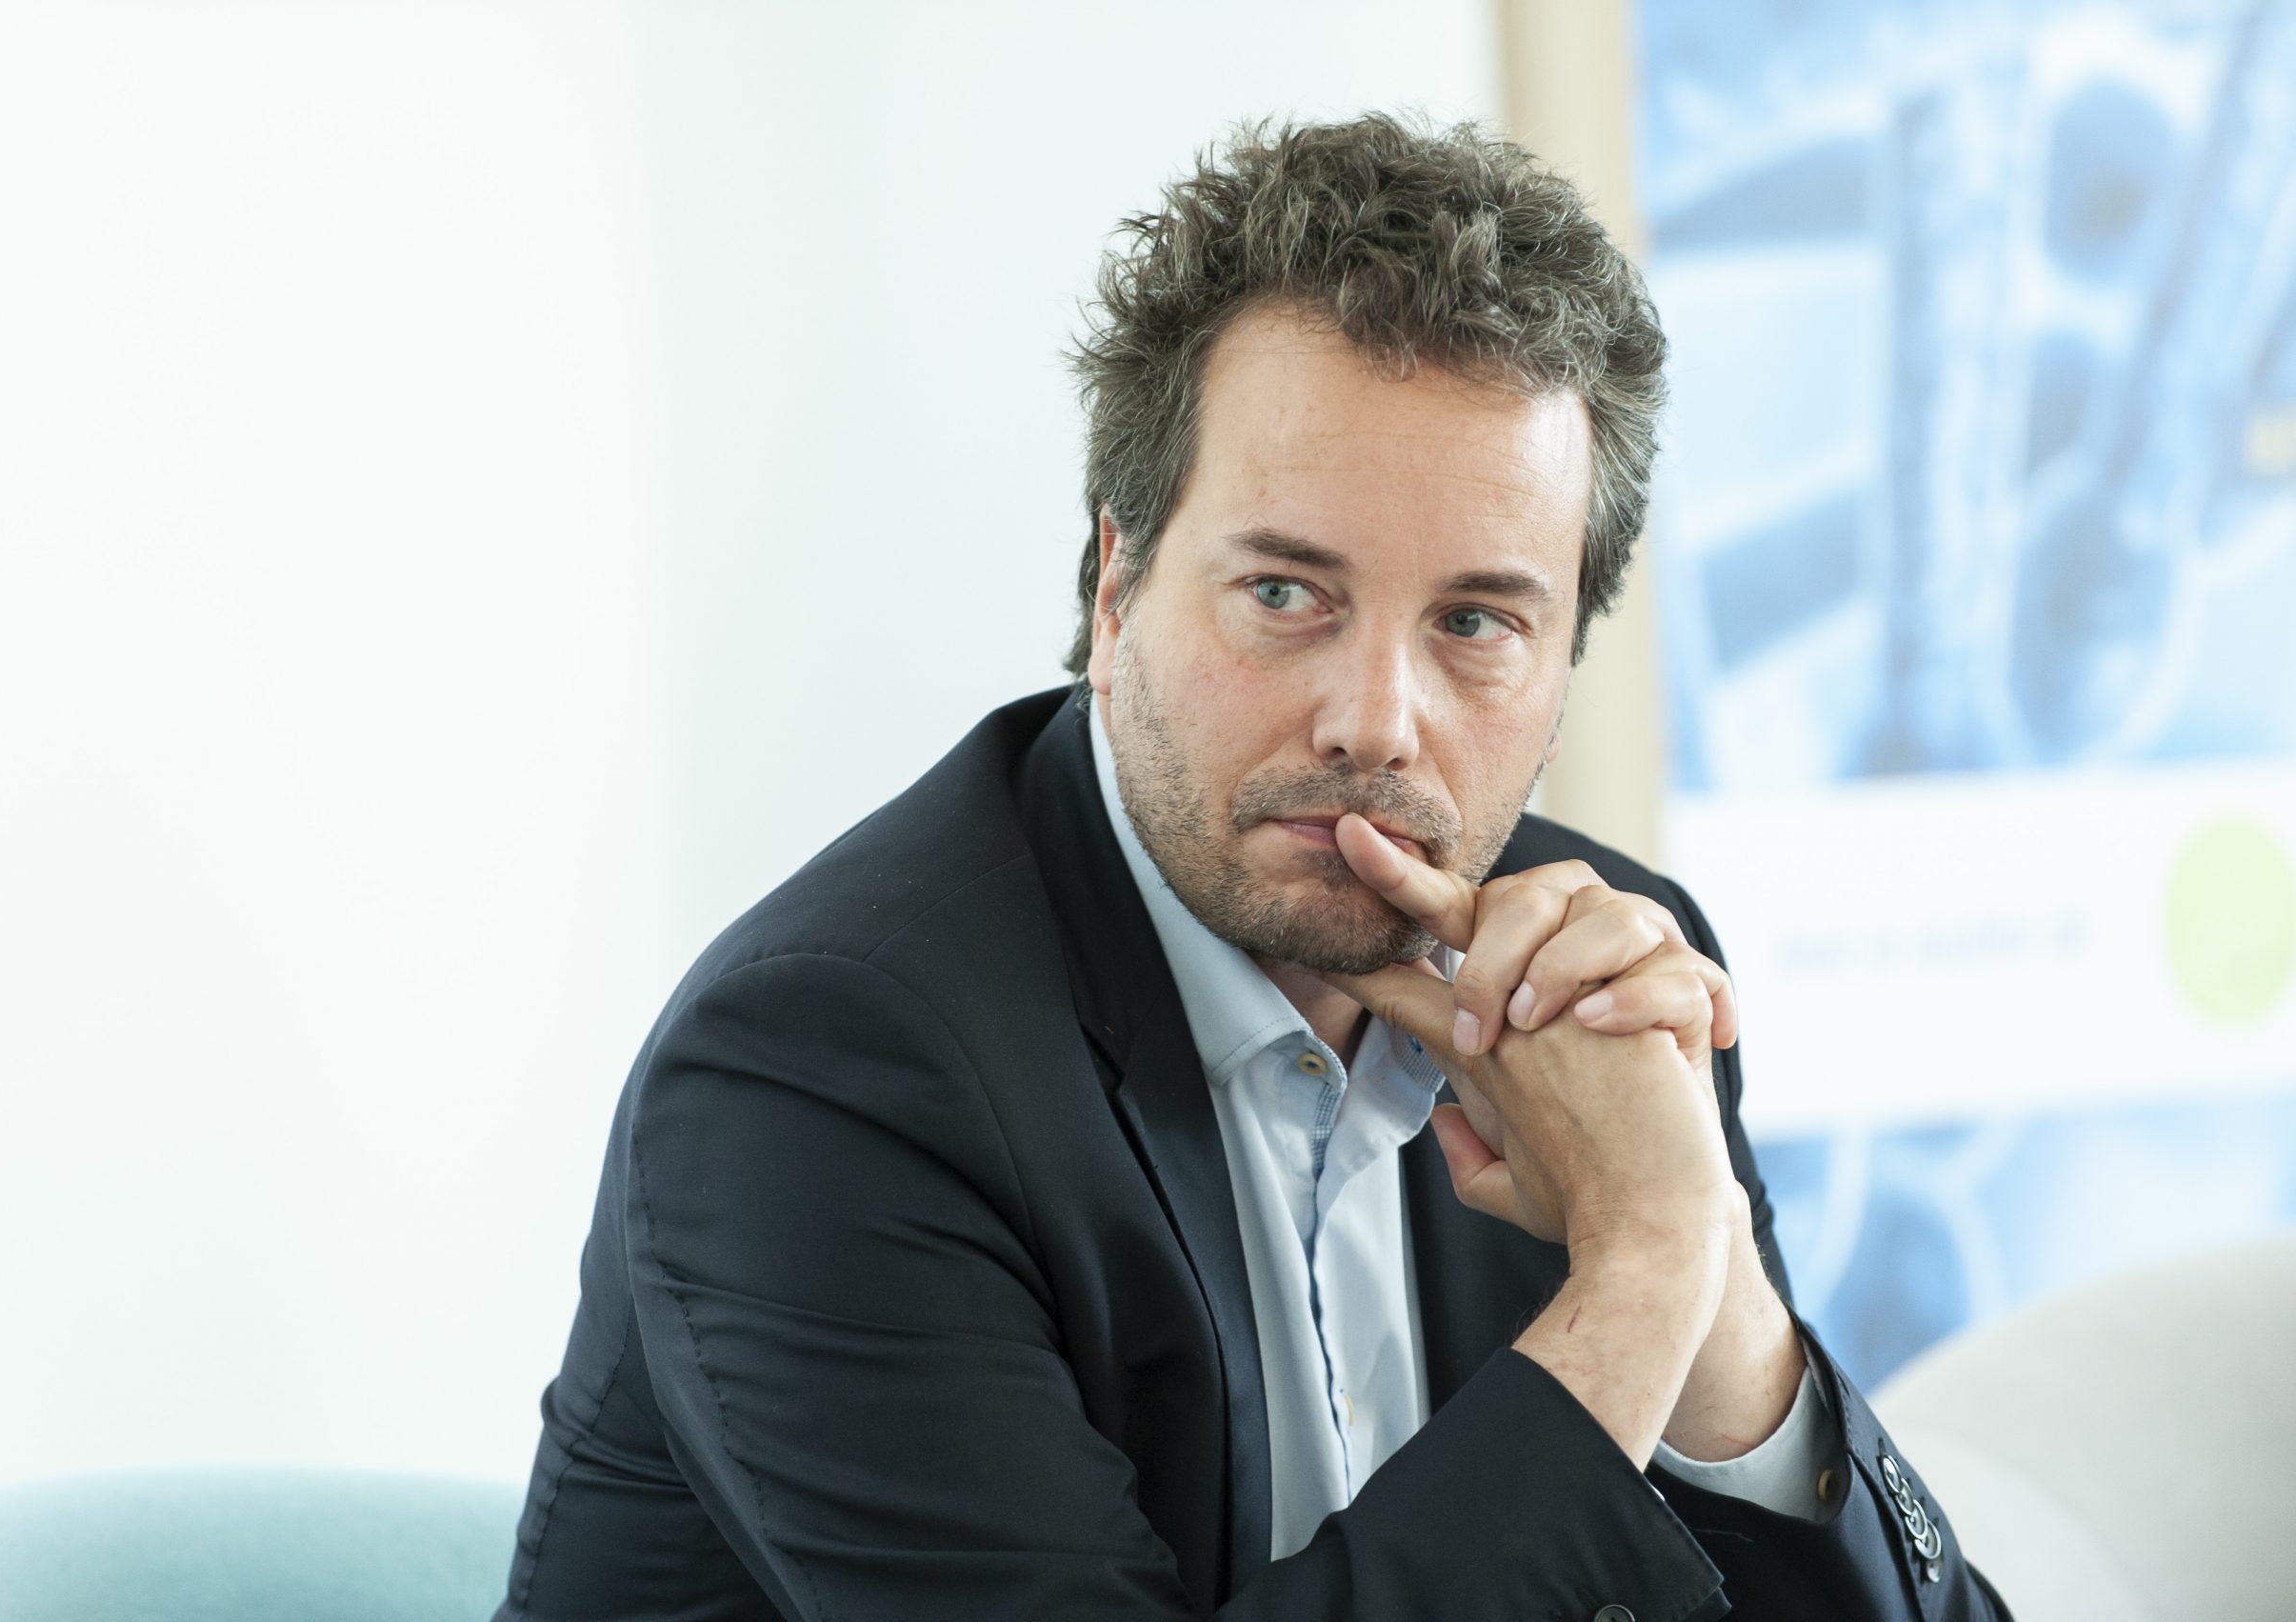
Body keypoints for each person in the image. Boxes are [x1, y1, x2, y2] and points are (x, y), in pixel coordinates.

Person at [496, 115, 2009, 1621]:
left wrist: (1717, 1298)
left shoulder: (1600, 974)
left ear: (1565, 660)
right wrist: (1638, 1279)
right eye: (1287, 593)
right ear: (1116, 587)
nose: (1377, 721)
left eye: (1476, 624)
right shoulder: (825, 1071)